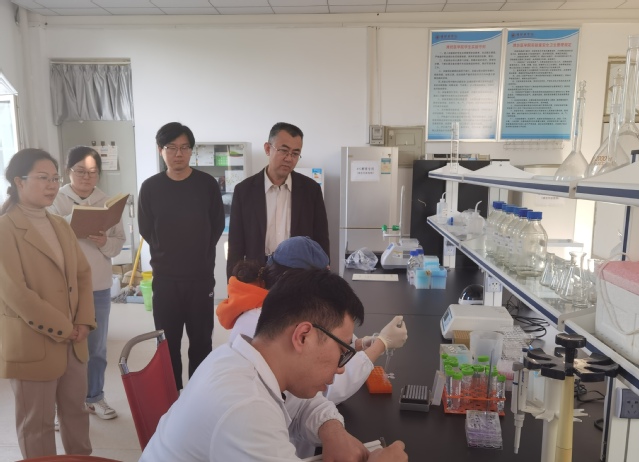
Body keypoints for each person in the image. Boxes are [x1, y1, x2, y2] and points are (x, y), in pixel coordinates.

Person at [141, 268, 408, 462]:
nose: (341, 368)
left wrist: (331, 429)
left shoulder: (242, 358)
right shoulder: (245, 408)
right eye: (342, 351)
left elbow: (304, 404)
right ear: (303, 336)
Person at [217, 236, 408, 407]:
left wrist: (357, 345)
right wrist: (381, 344)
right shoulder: (260, 320)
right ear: (293, 280)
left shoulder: (276, 302)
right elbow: (326, 389)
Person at [0, 149, 96, 458]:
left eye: (55, 178)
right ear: (19, 181)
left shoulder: (60, 224)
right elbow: (16, 292)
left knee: (76, 413)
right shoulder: (5, 229)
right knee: (37, 424)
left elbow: (82, 274)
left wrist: (83, 321)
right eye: (43, 178)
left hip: (74, 340)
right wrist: (65, 327)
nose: (52, 185)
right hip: (33, 342)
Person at [138, 122, 225, 390]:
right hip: (165, 280)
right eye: (172, 147)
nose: (179, 153)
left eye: (185, 147)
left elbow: (217, 225)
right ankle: (172, 394)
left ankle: (198, 394)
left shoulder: (206, 184)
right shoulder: (151, 187)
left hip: (200, 278)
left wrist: (198, 251)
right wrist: (168, 251)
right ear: (160, 150)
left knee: (201, 341)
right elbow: (146, 228)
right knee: (167, 343)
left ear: (191, 151)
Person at [48, 146, 126, 420]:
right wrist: (77, 219)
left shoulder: (108, 202)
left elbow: (118, 243)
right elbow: (46, 236)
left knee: (97, 348)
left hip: (98, 285)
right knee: (62, 346)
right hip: (62, 286)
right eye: (80, 171)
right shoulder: (55, 199)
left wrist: (104, 242)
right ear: (68, 171)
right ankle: (60, 405)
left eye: (92, 172)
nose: (86, 177)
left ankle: (95, 397)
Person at [226, 122, 329, 280]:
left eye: (295, 153)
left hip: (299, 276)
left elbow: (321, 239)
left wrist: (323, 277)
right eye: (283, 150)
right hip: (257, 274)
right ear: (268, 149)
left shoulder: (310, 190)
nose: (289, 158)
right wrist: (233, 283)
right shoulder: (244, 191)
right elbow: (236, 244)